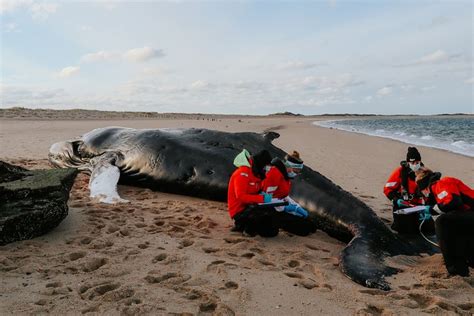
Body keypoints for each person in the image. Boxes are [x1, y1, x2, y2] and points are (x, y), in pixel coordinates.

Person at [415, 168, 474, 276]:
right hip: (468, 216)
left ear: (425, 187)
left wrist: (431, 209)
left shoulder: (442, 183)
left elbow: (454, 203)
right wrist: (431, 212)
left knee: (442, 222)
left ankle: (455, 268)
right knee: (452, 224)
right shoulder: (437, 191)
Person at [261, 151, 317, 236]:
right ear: (289, 167)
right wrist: (286, 207)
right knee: (304, 229)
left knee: (311, 226)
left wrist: (297, 207)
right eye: (296, 171)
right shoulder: (274, 174)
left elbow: (284, 196)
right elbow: (265, 198)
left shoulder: (285, 176)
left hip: (279, 207)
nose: (296, 174)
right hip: (269, 209)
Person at [383, 147, 434, 234]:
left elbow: (430, 194)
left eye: (417, 162)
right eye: (412, 162)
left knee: (430, 229)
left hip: (418, 206)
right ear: (408, 162)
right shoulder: (400, 172)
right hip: (402, 205)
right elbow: (387, 189)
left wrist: (428, 208)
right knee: (405, 230)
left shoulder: (426, 173)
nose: (415, 164)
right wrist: (396, 200)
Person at [227, 149, 277, 237]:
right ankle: (245, 227)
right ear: (261, 163)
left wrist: (263, 195)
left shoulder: (257, 174)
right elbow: (241, 196)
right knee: (260, 219)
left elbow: (257, 190)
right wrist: (262, 198)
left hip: (251, 207)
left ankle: (242, 226)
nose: (267, 168)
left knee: (271, 224)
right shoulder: (242, 173)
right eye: (266, 166)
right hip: (239, 210)